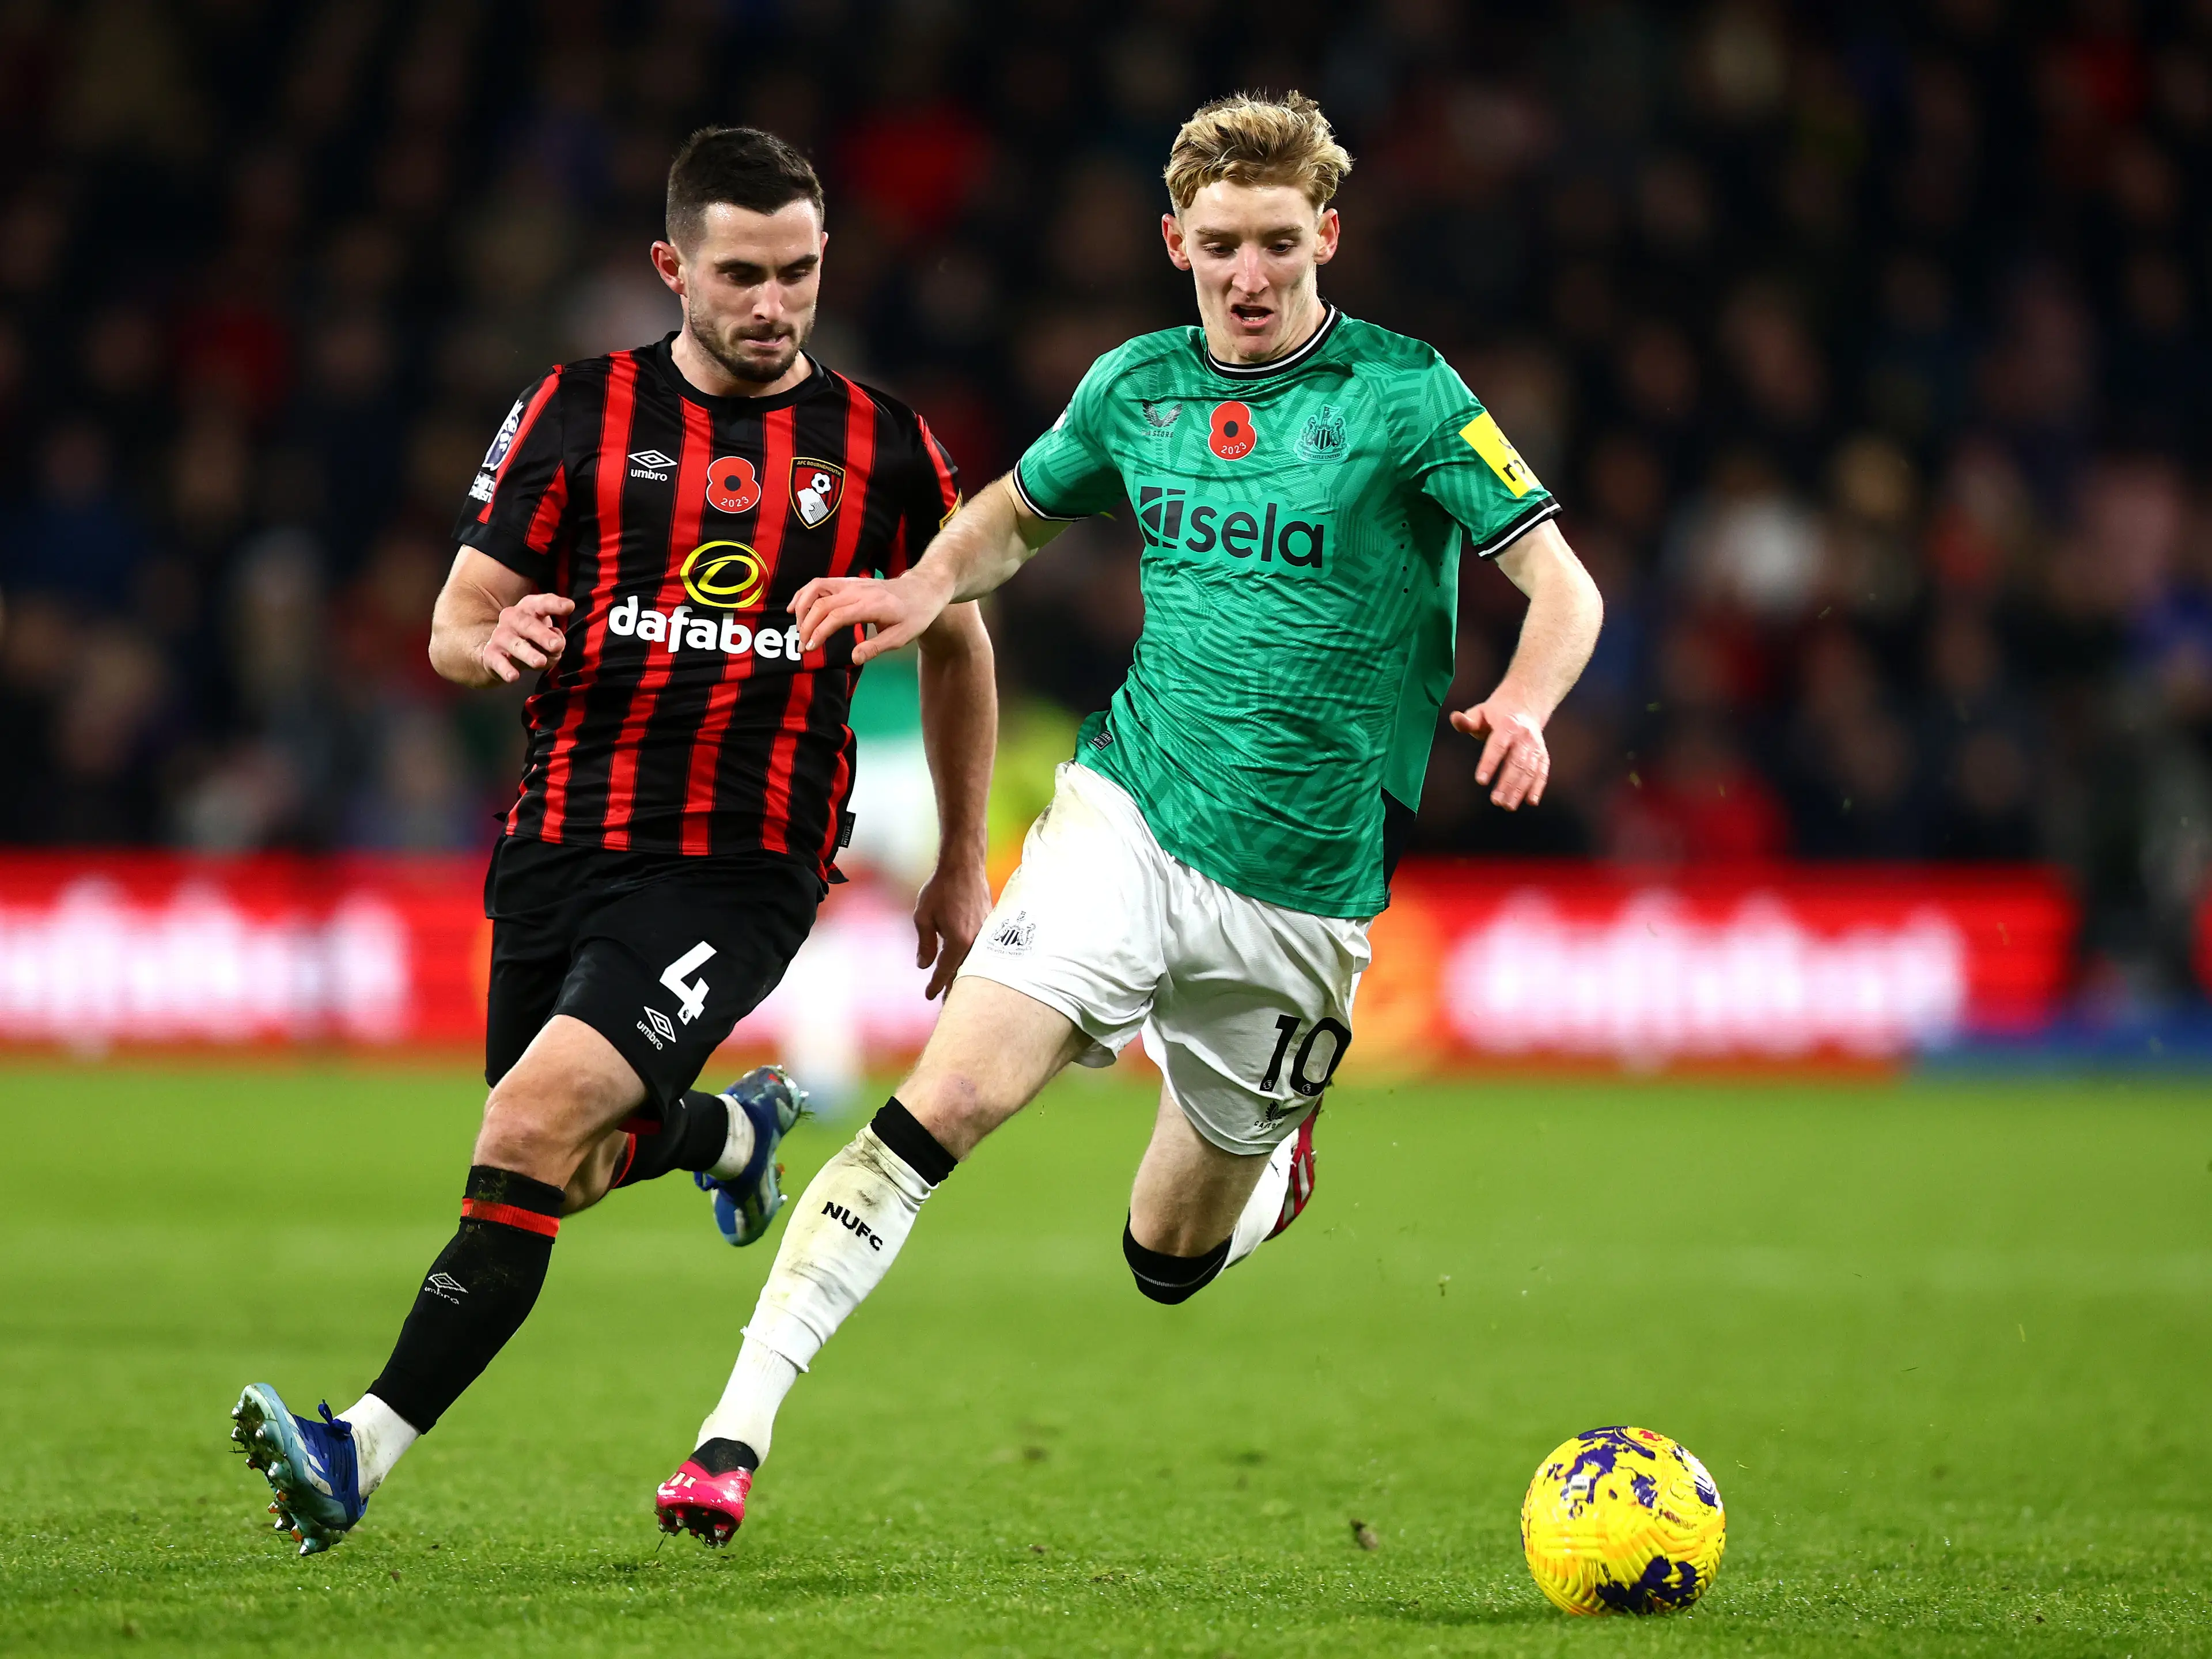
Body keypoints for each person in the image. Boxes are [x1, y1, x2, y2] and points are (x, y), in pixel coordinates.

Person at [650, 92, 1604, 1547]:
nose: (1251, 275)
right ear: (1176, 242)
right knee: (941, 1107)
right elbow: (1012, 518)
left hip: (1303, 902)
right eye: (1220, 244)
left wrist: (1528, 703)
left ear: (1325, 236)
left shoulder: (1409, 397)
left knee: (1164, 1257)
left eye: (1279, 243)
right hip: (1127, 819)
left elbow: (1565, 588)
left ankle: (1269, 1164)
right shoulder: (1135, 390)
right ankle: (731, 1434)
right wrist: (921, 590)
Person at [228, 126, 996, 1556]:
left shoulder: (887, 447)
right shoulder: (576, 411)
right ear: (671, 268)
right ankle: (724, 1130)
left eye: (802, 274)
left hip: (742, 862)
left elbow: (958, 643)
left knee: (526, 1124)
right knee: (554, 1167)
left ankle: (355, 1453)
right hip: (559, 841)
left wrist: (958, 862)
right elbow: (458, 615)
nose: (775, 306)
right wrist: (486, 642)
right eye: (742, 275)